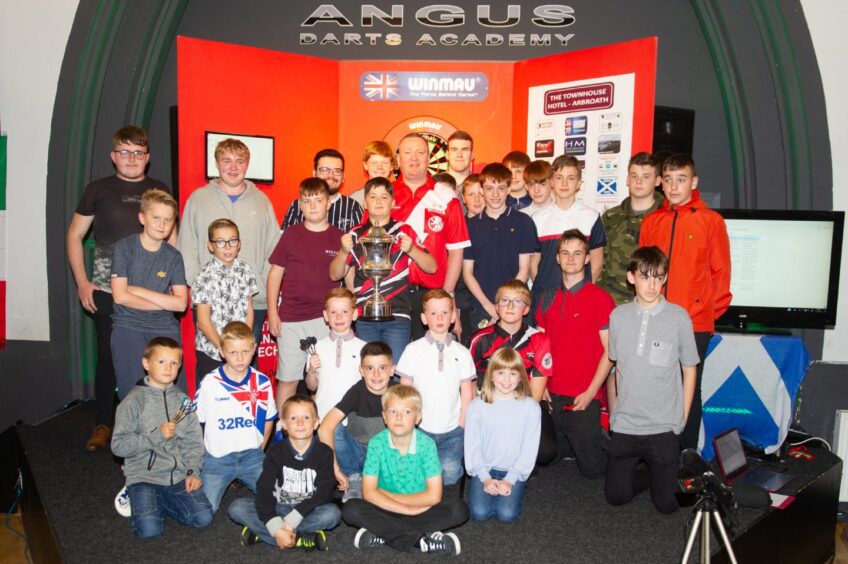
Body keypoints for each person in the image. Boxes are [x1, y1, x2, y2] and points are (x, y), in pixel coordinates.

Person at [66, 125, 173, 451]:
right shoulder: (97, 189)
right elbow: (73, 236)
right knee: (108, 357)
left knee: (153, 356)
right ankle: (104, 423)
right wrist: (83, 282)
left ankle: (152, 422)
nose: (131, 158)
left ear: (147, 157)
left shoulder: (158, 188)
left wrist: (177, 282)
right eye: (125, 152)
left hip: (152, 290)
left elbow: (173, 236)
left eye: (138, 152)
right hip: (107, 289)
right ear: (114, 156)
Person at [640, 153, 731, 449]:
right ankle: (657, 452)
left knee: (689, 388)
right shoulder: (652, 222)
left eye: (681, 179)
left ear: (693, 182)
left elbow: (721, 273)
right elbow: (643, 272)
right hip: (655, 321)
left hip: (694, 324)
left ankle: (685, 457)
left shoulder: (711, 221)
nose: (674, 186)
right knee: (654, 386)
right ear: (661, 184)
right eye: (668, 180)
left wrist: (702, 312)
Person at [605, 247, 699, 513]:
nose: (652, 285)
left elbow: (689, 369)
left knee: (667, 505)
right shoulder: (618, 316)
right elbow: (615, 369)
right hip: (626, 424)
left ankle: (663, 475)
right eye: (645, 277)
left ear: (665, 278)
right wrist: (614, 417)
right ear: (631, 277)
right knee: (615, 496)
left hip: (663, 425)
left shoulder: (679, 317)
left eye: (658, 278)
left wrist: (681, 417)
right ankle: (653, 475)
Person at [342, 385, 469, 555]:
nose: (399, 417)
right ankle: (421, 541)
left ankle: (383, 533)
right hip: (387, 508)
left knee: (459, 509)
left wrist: (400, 503)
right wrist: (407, 510)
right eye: (393, 411)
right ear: (384, 417)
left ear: (418, 418)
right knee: (351, 509)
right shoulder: (376, 444)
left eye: (407, 412)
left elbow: (434, 496)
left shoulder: (427, 445)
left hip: (420, 508)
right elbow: (369, 493)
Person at [179, 138, 279, 346]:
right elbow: (186, 247)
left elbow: (274, 249)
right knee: (211, 362)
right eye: (227, 161)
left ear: (247, 165)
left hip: (253, 303)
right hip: (210, 303)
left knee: (246, 363)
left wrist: (260, 285)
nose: (233, 168)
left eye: (239, 161)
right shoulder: (198, 199)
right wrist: (202, 285)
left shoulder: (261, 201)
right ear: (216, 164)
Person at [111, 337, 212, 538]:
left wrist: (193, 471)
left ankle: (159, 504)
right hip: (144, 477)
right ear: (146, 363)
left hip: (178, 475)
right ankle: (137, 495)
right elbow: (118, 446)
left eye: (174, 363)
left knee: (203, 518)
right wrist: (155, 436)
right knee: (149, 530)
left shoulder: (183, 401)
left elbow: (193, 440)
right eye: (161, 362)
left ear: (180, 366)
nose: (168, 368)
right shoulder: (133, 401)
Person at [330, 176, 436, 364]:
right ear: (364, 202)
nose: (378, 202)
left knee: (395, 370)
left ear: (393, 203)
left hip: (398, 315)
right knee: (368, 369)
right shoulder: (355, 234)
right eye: (373, 197)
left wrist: (412, 249)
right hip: (364, 315)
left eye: (384, 197)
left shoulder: (404, 231)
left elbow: (432, 267)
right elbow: (335, 274)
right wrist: (342, 251)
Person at [536, 229, 615, 479]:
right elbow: (539, 346)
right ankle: (571, 443)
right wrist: (541, 385)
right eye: (565, 253)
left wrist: (592, 392)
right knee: (545, 460)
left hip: (582, 398)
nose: (571, 258)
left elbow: (611, 352)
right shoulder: (547, 297)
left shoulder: (601, 299)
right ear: (557, 258)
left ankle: (608, 444)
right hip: (551, 396)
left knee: (593, 471)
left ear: (587, 258)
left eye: (578, 253)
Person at [267, 178, 343, 413]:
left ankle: (321, 431)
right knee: (288, 379)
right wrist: (273, 313)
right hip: (291, 319)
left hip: (326, 322)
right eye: (307, 201)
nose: (312, 206)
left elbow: (347, 281)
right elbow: (274, 275)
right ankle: (282, 435)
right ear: (299, 205)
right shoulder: (291, 235)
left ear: (328, 203)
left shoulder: (339, 238)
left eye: (318, 200)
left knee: (321, 380)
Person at [228, 395, 341, 550]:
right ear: (283, 424)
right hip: (279, 506)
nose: (300, 422)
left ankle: (264, 534)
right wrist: (275, 525)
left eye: (306, 417)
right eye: (293, 418)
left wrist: (292, 519)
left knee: (332, 514)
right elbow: (264, 489)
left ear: (316, 423)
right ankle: (297, 538)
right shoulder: (275, 452)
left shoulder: (325, 453)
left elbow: (325, 492)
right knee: (237, 507)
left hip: (308, 509)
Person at [391, 133, 470, 340]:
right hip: (392, 294)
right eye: (408, 152)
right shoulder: (384, 194)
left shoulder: (445, 195)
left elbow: (456, 251)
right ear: (398, 159)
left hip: (431, 294)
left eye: (420, 152)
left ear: (429, 159)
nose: (414, 158)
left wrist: (446, 296)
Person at [468, 279, 556, 465]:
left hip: (524, 406)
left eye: (517, 301)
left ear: (526, 309)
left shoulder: (539, 339)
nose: (509, 306)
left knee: (546, 452)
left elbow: (536, 395)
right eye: (504, 300)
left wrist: (516, 422)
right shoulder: (480, 338)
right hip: (489, 404)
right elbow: (470, 382)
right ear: (496, 307)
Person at [110, 188, 186, 399]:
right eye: (156, 218)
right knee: (133, 394)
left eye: (168, 220)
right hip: (128, 326)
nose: (162, 224)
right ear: (142, 218)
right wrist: (165, 302)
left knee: (172, 394)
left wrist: (139, 291)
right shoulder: (124, 248)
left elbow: (181, 304)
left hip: (164, 328)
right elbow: (120, 297)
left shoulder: (174, 257)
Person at [194, 321, 276, 513]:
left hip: (251, 457)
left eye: (245, 352)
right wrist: (199, 458)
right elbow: (196, 422)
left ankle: (247, 515)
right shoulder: (210, 383)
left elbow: (269, 419)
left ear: (254, 349)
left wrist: (260, 448)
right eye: (233, 353)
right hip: (217, 459)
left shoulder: (262, 382)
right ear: (221, 351)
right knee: (203, 514)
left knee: (278, 501)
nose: (240, 358)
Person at [397, 289, 476, 486]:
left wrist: (463, 423)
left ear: (453, 317)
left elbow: (467, 392)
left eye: (444, 313)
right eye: (433, 313)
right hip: (421, 428)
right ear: (424, 318)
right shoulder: (413, 350)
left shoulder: (462, 352)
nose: (439, 317)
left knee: (449, 476)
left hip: (453, 430)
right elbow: (404, 391)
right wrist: (408, 422)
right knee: (416, 474)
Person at [464, 348, 540, 522]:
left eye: (512, 373)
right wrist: (485, 477)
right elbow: (472, 445)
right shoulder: (477, 406)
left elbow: (529, 448)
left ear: (521, 376)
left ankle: (512, 490)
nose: (506, 379)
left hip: (514, 469)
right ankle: (490, 489)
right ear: (491, 375)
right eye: (501, 373)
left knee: (506, 515)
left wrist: (511, 479)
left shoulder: (531, 408)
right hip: (486, 468)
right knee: (479, 513)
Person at [463, 163, 538, 330]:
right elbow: (467, 273)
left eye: (501, 188)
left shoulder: (523, 222)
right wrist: (489, 306)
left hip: (515, 307)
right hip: (482, 307)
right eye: (489, 188)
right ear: (482, 190)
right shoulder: (470, 226)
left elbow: (524, 270)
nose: (495, 194)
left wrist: (505, 305)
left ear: (509, 189)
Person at [318, 341, 395, 502]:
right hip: (356, 455)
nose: (376, 374)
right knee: (336, 429)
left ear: (392, 370)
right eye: (369, 368)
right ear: (361, 370)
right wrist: (336, 469)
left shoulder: (398, 393)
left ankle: (374, 481)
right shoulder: (356, 392)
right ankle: (354, 478)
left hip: (383, 456)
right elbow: (324, 428)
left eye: (382, 367)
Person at [531, 155, 606, 310]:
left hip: (579, 300)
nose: (564, 183)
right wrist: (544, 291)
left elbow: (596, 264)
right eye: (559, 177)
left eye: (571, 178)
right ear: (551, 182)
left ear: (578, 184)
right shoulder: (537, 218)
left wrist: (580, 293)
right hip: (545, 299)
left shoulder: (591, 217)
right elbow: (533, 264)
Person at [191, 219, 257, 380]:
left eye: (232, 241)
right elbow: (203, 322)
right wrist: (224, 349)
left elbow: (249, 308)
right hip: (213, 352)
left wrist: (243, 345)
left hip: (241, 352)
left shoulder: (245, 270)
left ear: (239, 244)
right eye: (220, 242)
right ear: (210, 246)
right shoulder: (204, 276)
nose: (227, 247)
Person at [597, 152, 664, 305]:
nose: (639, 182)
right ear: (627, 179)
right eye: (634, 176)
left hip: (652, 303)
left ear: (658, 181)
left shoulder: (665, 218)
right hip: (614, 303)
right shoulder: (611, 217)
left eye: (646, 177)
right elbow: (600, 262)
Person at [306, 288, 366, 425]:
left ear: (355, 314)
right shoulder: (316, 347)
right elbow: (311, 387)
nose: (339, 317)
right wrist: (311, 370)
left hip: (354, 419)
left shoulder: (364, 348)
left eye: (345, 312)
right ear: (326, 316)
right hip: (323, 416)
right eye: (333, 312)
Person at [281, 148, 363, 233]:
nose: (331, 175)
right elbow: (285, 241)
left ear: (343, 177)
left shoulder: (353, 207)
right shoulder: (297, 206)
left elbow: (361, 242)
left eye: (337, 171)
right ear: (314, 173)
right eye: (324, 170)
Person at [349, 140, 395, 205]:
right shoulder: (354, 200)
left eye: (385, 163)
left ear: (392, 166)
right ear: (365, 165)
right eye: (374, 163)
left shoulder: (401, 196)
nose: (379, 167)